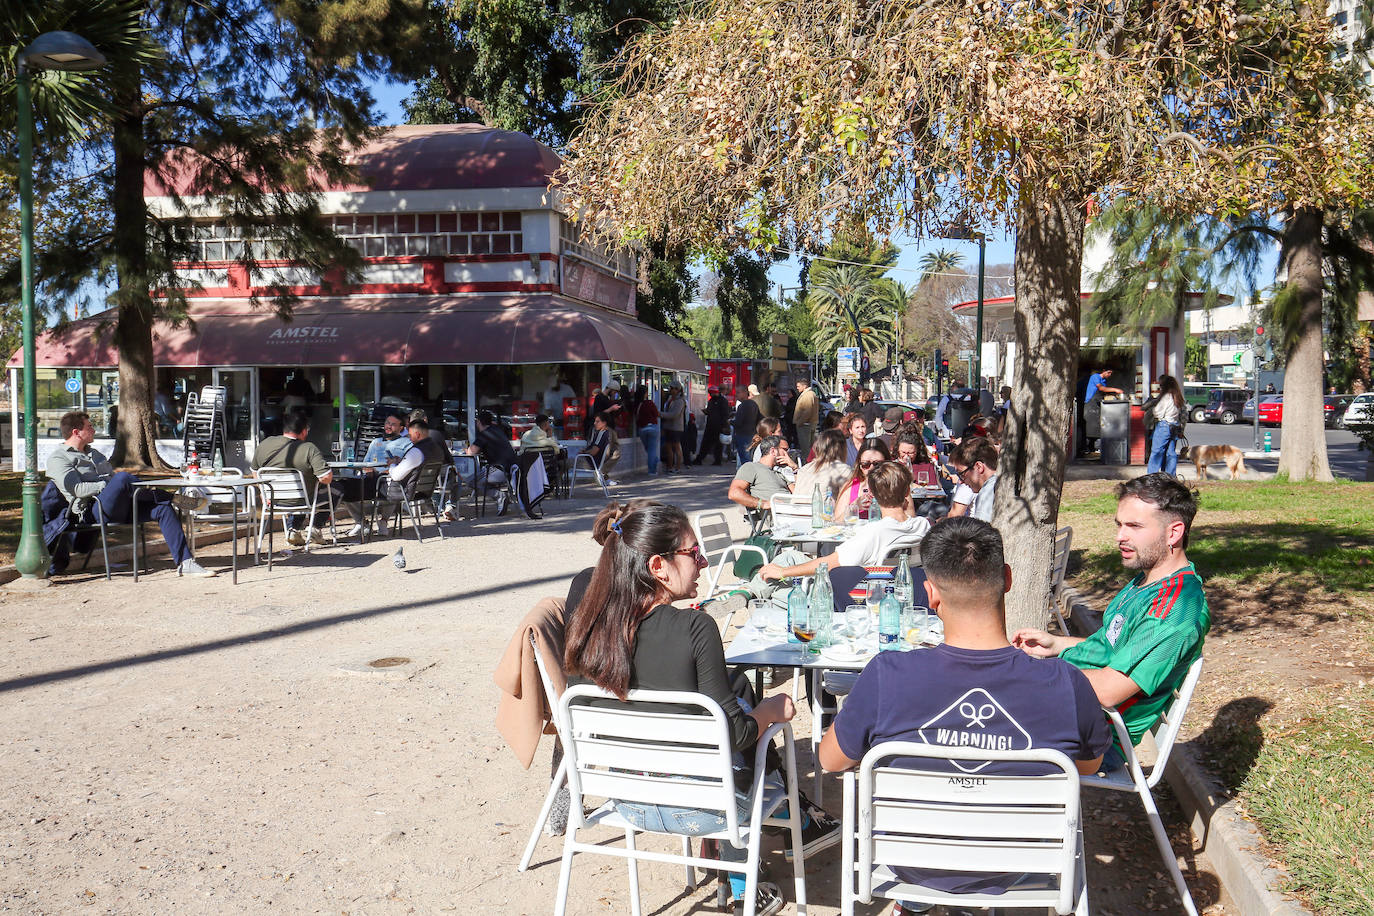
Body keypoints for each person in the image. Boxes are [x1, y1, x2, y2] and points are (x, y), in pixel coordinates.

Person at [563, 501, 837, 915]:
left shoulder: (589, 627)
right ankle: (788, 820)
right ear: (658, 566)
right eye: (693, 554)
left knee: (736, 691)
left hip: (629, 800)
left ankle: (772, 844)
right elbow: (737, 734)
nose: (705, 562)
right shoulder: (693, 627)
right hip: (706, 807)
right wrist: (773, 711)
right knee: (755, 712)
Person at [819, 517, 1109, 905]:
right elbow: (1087, 767)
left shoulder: (886, 675)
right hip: (1019, 861)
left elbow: (830, 760)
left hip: (910, 860)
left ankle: (917, 901)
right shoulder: (1067, 683)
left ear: (930, 594)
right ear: (1007, 578)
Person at [1013, 473, 1209, 771]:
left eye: (1134, 526)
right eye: (1119, 524)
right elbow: (1112, 647)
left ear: (1174, 533)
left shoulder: (1175, 609)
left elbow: (1108, 690)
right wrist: (1057, 645)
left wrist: (1034, 676)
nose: (1120, 536)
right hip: (1073, 716)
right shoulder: (1146, 583)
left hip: (1097, 738)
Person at [46, 411, 216, 577]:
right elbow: (76, 489)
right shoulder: (59, 459)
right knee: (122, 478)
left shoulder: (94, 454)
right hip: (91, 510)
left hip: (117, 505)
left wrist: (113, 484)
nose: (93, 430)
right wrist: (106, 485)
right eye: (89, 427)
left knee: (163, 509)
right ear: (76, 432)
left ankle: (185, 563)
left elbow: (115, 482)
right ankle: (172, 497)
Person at [757, 462, 930, 582]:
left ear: (874, 495)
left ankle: (749, 592)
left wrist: (783, 573)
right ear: (908, 491)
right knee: (790, 558)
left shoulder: (874, 533)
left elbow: (828, 563)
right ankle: (749, 591)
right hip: (905, 589)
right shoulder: (923, 526)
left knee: (786, 565)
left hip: (869, 593)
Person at [251, 412, 335, 546]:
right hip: (302, 499)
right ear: (304, 430)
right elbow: (326, 477)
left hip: (272, 499)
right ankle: (315, 528)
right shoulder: (308, 448)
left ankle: (293, 529)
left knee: (305, 491)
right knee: (335, 488)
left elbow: (254, 472)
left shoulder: (265, 444)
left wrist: (263, 492)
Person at [465, 409, 519, 515]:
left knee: (470, 482)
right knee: (483, 481)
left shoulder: (484, 435)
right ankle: (501, 498)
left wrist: (466, 448)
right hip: (512, 470)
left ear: (479, 422)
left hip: (498, 470)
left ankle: (500, 496)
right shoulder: (498, 430)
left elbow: (471, 453)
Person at [728, 434, 794, 513]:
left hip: (795, 511)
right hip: (780, 516)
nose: (788, 454)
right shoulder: (751, 467)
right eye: (785, 450)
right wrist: (762, 503)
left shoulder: (780, 471)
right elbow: (734, 493)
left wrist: (795, 468)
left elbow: (799, 493)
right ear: (773, 451)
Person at [792, 429, 852, 514]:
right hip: (823, 520)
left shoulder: (804, 469)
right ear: (842, 448)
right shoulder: (843, 470)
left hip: (796, 517)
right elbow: (847, 502)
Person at [833, 440, 891, 521]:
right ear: (859, 465)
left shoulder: (894, 486)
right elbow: (836, 523)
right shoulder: (851, 487)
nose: (871, 468)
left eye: (877, 464)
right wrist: (854, 507)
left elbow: (905, 522)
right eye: (865, 464)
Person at [949, 436, 999, 524]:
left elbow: (984, 534)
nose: (961, 481)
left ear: (979, 467)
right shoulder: (999, 483)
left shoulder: (987, 492)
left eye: (962, 474)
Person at [1146, 374, 1185, 476]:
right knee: (1170, 453)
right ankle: (1170, 476)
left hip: (1164, 425)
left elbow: (1158, 412)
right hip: (1174, 426)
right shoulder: (1177, 396)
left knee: (1156, 453)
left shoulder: (1166, 397)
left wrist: (1153, 409)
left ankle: (1151, 476)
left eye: (1161, 386)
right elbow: (1183, 415)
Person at [1082, 367, 1124, 455]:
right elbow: (1101, 389)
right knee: (1090, 427)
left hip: (1098, 404)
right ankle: (1086, 448)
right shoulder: (1095, 377)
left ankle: (1097, 448)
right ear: (1104, 371)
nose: (1110, 375)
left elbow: (1104, 392)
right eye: (1108, 372)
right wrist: (1116, 390)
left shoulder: (1104, 381)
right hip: (1090, 404)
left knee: (1099, 426)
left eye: (1111, 373)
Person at [583, 411, 621, 486]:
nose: (594, 423)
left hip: (590, 463)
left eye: (597, 421)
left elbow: (594, 451)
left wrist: (584, 453)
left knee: (563, 464)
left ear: (604, 423)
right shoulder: (601, 432)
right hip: (593, 461)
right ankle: (604, 477)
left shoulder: (602, 433)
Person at [693, 385, 729, 465]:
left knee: (717, 445)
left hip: (718, 426)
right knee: (706, 443)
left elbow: (725, 414)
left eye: (711, 393)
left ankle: (717, 460)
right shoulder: (712, 401)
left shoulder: (722, 401)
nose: (711, 395)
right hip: (710, 425)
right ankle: (700, 459)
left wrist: (724, 426)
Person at [632, 385, 661, 475]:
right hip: (653, 427)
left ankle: (655, 461)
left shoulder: (636, 404)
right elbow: (656, 414)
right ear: (645, 393)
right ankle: (652, 470)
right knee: (652, 450)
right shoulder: (649, 403)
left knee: (649, 449)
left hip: (642, 429)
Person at [731, 385, 762, 467]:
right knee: (748, 458)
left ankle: (746, 477)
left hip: (743, 435)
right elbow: (760, 418)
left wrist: (730, 422)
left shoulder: (743, 405)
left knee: (745, 460)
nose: (736, 395)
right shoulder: (753, 404)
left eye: (738, 392)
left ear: (745, 393)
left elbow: (739, 422)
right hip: (751, 434)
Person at [659, 384, 686, 473]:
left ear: (677, 390)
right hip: (668, 427)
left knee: (676, 447)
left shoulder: (680, 401)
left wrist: (660, 414)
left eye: (672, 388)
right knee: (668, 447)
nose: (670, 390)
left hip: (676, 427)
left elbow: (674, 414)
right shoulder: (670, 399)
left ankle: (678, 467)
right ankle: (669, 466)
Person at [792, 377, 820, 458]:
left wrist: (800, 422)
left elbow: (807, 411)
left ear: (804, 386)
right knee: (809, 446)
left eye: (798, 386)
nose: (797, 388)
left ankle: (806, 463)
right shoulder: (810, 394)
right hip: (807, 424)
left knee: (805, 447)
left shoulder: (807, 395)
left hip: (805, 425)